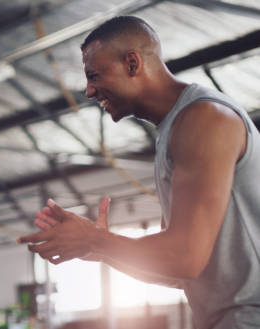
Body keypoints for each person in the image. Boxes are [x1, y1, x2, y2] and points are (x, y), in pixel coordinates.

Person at [18, 15, 260, 329]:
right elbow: (179, 272)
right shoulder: (175, 131)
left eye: (95, 75)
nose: (89, 91)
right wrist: (101, 248)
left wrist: (97, 240)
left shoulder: (204, 119)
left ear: (132, 63)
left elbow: (186, 256)